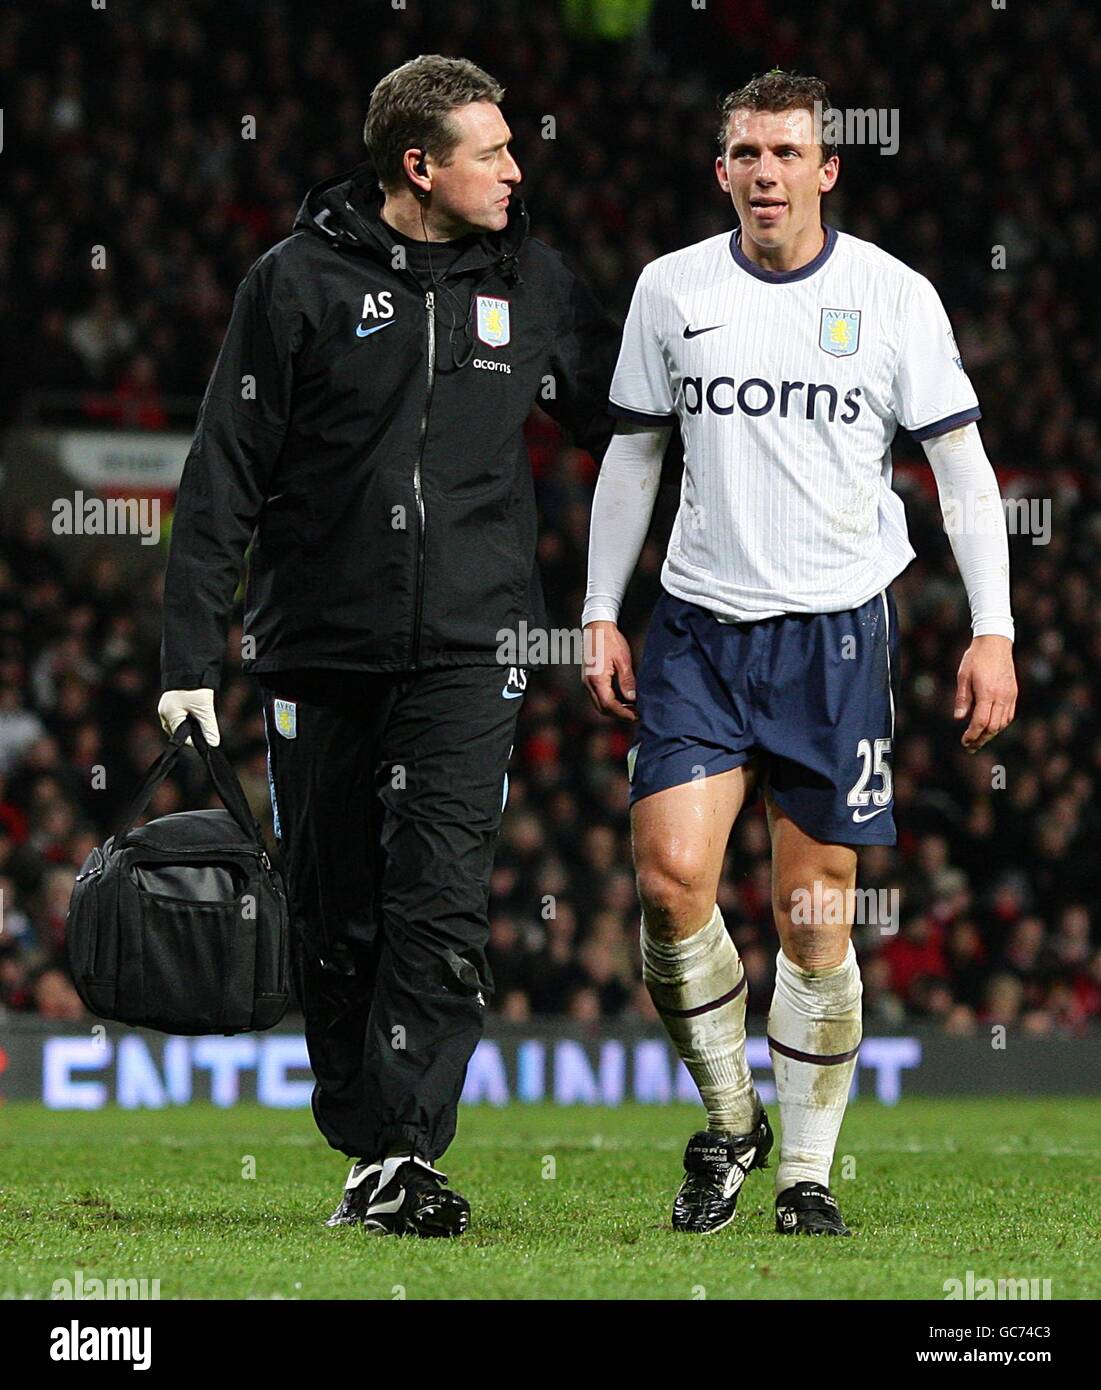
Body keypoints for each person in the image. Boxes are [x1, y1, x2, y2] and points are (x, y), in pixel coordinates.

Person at [158, 55, 617, 1237]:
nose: (518, 169)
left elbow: (631, 424)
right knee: (336, 910)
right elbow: (224, 474)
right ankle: (369, 1147)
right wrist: (186, 660)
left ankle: (408, 1150)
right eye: (492, 152)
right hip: (316, 649)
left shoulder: (536, 284)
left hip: (472, 649)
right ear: (420, 166)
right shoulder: (295, 282)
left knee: (442, 900)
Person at [582, 70, 1017, 1236]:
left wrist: (994, 627)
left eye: (787, 152)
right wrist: (597, 607)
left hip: (835, 638)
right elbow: (633, 457)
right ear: (719, 168)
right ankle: (731, 1124)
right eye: (745, 152)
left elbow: (961, 470)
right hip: (697, 631)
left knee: (815, 915)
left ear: (828, 168)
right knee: (672, 879)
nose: (765, 172)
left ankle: (807, 1175)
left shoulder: (895, 297)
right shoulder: (671, 290)